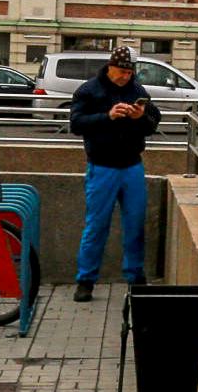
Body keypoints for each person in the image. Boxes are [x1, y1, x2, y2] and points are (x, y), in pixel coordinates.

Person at [67, 46, 158, 302]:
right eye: (121, 72)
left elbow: (152, 125)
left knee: (135, 225)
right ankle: (85, 281)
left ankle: (136, 277)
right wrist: (108, 116)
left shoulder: (138, 91)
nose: (125, 77)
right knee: (96, 226)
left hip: (132, 166)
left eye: (130, 73)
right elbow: (76, 124)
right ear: (110, 66)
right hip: (102, 166)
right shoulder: (89, 90)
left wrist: (140, 117)